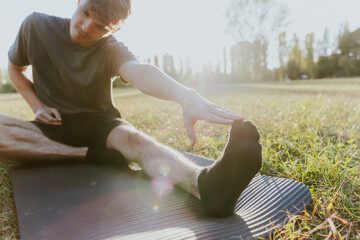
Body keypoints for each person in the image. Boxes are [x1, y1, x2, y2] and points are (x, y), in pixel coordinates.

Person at [0, 0, 262, 218]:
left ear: (113, 30)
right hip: (50, 127)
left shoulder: (111, 48)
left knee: (135, 139)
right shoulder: (35, 25)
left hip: (100, 127)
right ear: (78, 1)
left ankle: (206, 186)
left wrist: (185, 96)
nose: (86, 27)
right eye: (86, 12)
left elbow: (139, 72)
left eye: (101, 26)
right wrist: (38, 106)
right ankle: (85, 155)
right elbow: (15, 68)